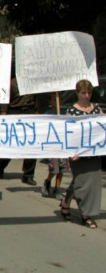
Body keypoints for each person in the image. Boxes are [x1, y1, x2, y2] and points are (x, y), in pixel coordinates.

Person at [60, 79, 103, 229]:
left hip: (94, 154)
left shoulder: (97, 108)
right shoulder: (71, 110)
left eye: (89, 92)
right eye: (83, 92)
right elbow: (69, 134)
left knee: (91, 183)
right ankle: (86, 215)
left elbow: (102, 130)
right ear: (77, 93)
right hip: (78, 154)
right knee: (80, 183)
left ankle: (66, 202)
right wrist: (72, 152)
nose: (87, 96)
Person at [0, 77, 38, 184]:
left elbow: (39, 97)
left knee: (31, 146)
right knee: (11, 144)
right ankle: (1, 166)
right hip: (15, 111)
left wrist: (37, 111)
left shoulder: (34, 82)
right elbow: (5, 99)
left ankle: (28, 175)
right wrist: (4, 114)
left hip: (29, 111)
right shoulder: (12, 83)